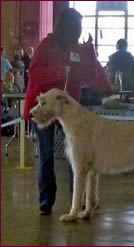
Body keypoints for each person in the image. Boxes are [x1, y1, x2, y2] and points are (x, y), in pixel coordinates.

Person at [24, 8, 112, 215]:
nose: (79, 31)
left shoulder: (79, 49)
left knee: (78, 157)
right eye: (77, 27)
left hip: (69, 113)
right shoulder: (47, 45)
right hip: (45, 109)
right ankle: (46, 201)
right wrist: (60, 70)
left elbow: (89, 78)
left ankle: (79, 201)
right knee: (46, 156)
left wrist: (90, 53)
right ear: (67, 26)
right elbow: (34, 73)